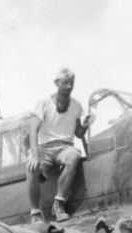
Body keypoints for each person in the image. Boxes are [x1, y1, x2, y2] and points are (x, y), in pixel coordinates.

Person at [26, 67, 92, 223]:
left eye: (71, 83)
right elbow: (33, 131)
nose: (69, 86)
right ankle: (35, 213)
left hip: (64, 147)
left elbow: (78, 133)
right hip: (44, 147)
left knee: (74, 156)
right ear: (57, 83)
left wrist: (85, 126)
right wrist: (35, 157)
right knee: (31, 167)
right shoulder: (43, 103)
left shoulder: (76, 105)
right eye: (65, 83)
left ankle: (58, 204)